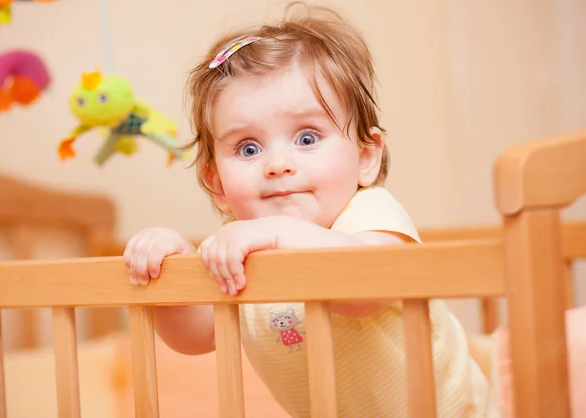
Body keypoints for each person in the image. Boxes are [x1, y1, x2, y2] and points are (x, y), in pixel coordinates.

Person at [123, 3, 498, 416]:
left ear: (365, 156)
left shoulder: (370, 216)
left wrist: (277, 234)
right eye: (248, 148)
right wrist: (169, 273)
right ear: (217, 183)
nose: (277, 164)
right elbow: (195, 337)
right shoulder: (236, 248)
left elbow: (369, 288)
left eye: (306, 138)